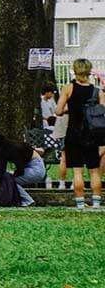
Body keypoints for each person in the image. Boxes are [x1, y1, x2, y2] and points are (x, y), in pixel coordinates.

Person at [53, 58, 104, 208]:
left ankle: (80, 203)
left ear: (74, 70)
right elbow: (102, 111)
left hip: (74, 133)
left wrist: (70, 109)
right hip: (92, 135)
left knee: (77, 171)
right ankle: (96, 202)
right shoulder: (97, 91)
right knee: (94, 171)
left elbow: (58, 111)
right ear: (89, 71)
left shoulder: (68, 88)